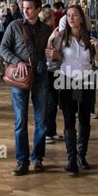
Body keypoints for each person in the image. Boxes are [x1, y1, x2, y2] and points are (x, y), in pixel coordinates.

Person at [0, 0, 53, 175]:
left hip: (41, 77)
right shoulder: (14, 26)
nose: (25, 11)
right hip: (20, 77)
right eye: (24, 8)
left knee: (42, 121)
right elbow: (4, 48)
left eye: (29, 8)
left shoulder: (47, 30)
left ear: (38, 10)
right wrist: (18, 61)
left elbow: (53, 51)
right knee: (21, 121)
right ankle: (22, 161)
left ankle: (37, 157)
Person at [46, 5, 98, 175]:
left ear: (81, 18)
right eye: (68, 15)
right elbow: (49, 56)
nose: (71, 18)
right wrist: (52, 43)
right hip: (66, 81)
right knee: (69, 119)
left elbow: (97, 63)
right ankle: (71, 160)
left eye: (74, 15)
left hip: (86, 82)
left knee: (85, 119)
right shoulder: (62, 37)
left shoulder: (89, 39)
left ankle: (82, 156)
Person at [39, 7, 63, 144]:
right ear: (48, 19)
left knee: (53, 102)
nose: (55, 19)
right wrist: (52, 39)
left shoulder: (51, 31)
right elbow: (47, 52)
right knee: (50, 103)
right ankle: (47, 132)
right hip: (48, 70)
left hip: (54, 70)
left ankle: (52, 131)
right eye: (53, 17)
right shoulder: (46, 32)